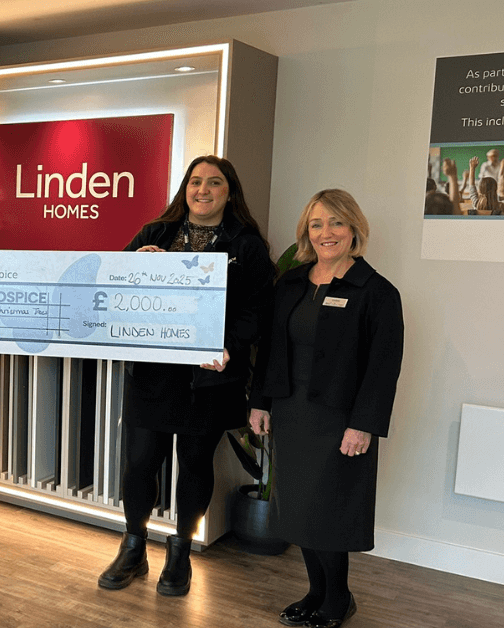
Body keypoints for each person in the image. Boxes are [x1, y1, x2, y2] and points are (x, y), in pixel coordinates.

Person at [98, 155, 275, 596]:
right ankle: (134, 548)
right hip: (153, 377)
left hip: (209, 380)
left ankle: (180, 555)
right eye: (195, 182)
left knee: (195, 466)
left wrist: (227, 346)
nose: (203, 190)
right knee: (139, 463)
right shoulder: (155, 232)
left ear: (228, 192)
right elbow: (114, 285)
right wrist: (137, 263)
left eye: (214, 183)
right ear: (185, 189)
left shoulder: (247, 246)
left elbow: (258, 313)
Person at [249, 189, 404, 628]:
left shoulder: (376, 292)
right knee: (299, 509)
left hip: (339, 421)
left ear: (354, 228)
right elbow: (272, 349)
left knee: (329, 511)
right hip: (291, 414)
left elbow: (382, 368)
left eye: (336, 223)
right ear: (306, 232)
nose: (326, 233)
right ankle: (315, 591)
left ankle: (338, 597)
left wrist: (363, 426)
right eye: (316, 224)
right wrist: (259, 403)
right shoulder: (293, 284)